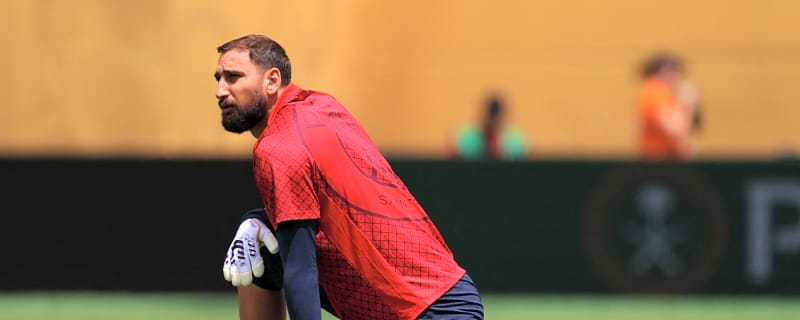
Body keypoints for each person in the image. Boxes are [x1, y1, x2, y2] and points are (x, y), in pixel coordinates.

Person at [214, 35, 484, 320]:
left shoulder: (278, 148)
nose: (220, 91)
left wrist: (257, 220)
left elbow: (300, 271)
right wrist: (256, 219)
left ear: (271, 81)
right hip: (450, 297)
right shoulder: (322, 106)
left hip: (432, 312)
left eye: (233, 77)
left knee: (264, 244)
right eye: (218, 78)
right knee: (261, 246)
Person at [636, 53, 702, 161]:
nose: (678, 77)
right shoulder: (654, 93)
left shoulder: (663, 94)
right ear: (665, 71)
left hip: (665, 158)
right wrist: (689, 106)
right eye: (677, 71)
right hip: (660, 159)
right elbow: (674, 129)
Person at [448, 95, 527, 160]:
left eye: (495, 115)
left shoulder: (514, 140)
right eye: (490, 115)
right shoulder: (468, 138)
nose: (492, 120)